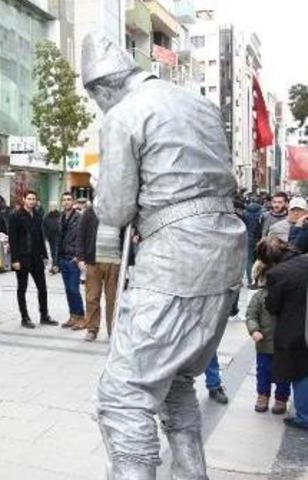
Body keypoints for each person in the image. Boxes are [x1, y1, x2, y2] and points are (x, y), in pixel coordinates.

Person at [82, 32, 245, 478]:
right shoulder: (199, 105)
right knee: (175, 383)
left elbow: (115, 208)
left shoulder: (124, 114)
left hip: (176, 256)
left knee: (123, 396)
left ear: (101, 88)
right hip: (224, 251)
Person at [261, 237, 308, 431]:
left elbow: (273, 306)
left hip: (294, 329)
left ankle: (304, 416)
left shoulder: (277, 274)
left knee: (301, 373)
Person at [244, 244, 290, 415]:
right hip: (264, 345)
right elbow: (251, 315)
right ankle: (262, 396)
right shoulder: (259, 296)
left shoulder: (288, 296)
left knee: (284, 375)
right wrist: (254, 330)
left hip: (284, 346)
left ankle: (281, 399)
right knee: (263, 373)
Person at [9, 191, 55, 328]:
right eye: (29, 199)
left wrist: (45, 255)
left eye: (34, 199)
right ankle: (25, 317)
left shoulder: (38, 215)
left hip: (36, 258)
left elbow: (40, 236)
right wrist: (14, 259)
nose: (31, 201)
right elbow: (12, 239)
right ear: (24, 200)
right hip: (22, 258)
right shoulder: (15, 216)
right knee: (22, 288)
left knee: (42, 288)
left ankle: (44, 315)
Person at [76, 206, 121, 342]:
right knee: (92, 297)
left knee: (113, 299)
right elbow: (81, 234)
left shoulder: (119, 211)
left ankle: (113, 330)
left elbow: (126, 234)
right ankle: (92, 329)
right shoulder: (90, 212)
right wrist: (80, 257)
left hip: (114, 261)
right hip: (93, 261)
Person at [56, 192, 85, 328]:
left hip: (73, 258)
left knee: (74, 289)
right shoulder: (61, 218)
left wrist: (78, 256)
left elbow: (82, 238)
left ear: (72, 202)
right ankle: (73, 315)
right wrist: (56, 260)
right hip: (63, 258)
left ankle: (81, 316)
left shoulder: (79, 218)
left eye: (68, 200)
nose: (66, 202)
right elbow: (58, 240)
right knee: (68, 289)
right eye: (64, 200)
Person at [242, 197, 263, 286]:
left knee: (249, 260)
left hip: (248, 237)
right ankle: (259, 279)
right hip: (259, 237)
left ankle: (251, 281)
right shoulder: (262, 212)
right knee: (260, 259)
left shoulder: (245, 213)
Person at [43, 202, 61, 274]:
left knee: (56, 251)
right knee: (53, 251)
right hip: (50, 237)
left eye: (54, 206)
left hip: (58, 236)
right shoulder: (46, 216)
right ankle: (56, 265)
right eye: (51, 206)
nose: (52, 207)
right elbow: (43, 226)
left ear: (56, 207)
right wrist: (45, 236)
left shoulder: (59, 215)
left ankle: (55, 266)